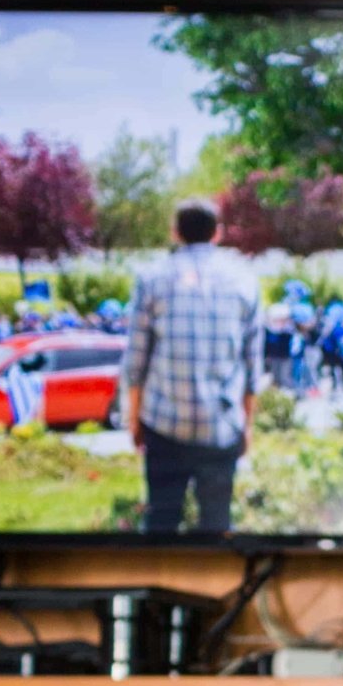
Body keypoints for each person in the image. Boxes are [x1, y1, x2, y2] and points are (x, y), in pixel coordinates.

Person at [121, 199, 262, 537]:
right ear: (218, 233)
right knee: (216, 526)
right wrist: (247, 425)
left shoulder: (152, 277)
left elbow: (136, 360)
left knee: (161, 523)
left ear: (176, 232)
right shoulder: (244, 279)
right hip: (221, 426)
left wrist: (134, 419)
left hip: (164, 424)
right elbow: (252, 366)